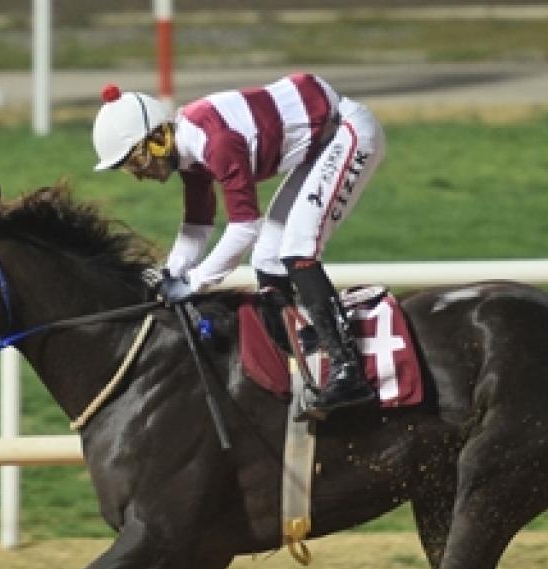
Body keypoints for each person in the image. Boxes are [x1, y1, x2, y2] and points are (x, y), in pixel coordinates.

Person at [91, 72, 386, 418]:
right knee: (269, 257)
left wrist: (193, 282)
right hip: (321, 142)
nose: (138, 174)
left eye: (135, 161)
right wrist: (167, 273)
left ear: (157, 139)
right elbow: (198, 226)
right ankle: (298, 354)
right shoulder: (188, 151)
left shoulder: (215, 142)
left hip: (346, 133)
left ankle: (348, 370)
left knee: (297, 249)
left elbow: (245, 227)